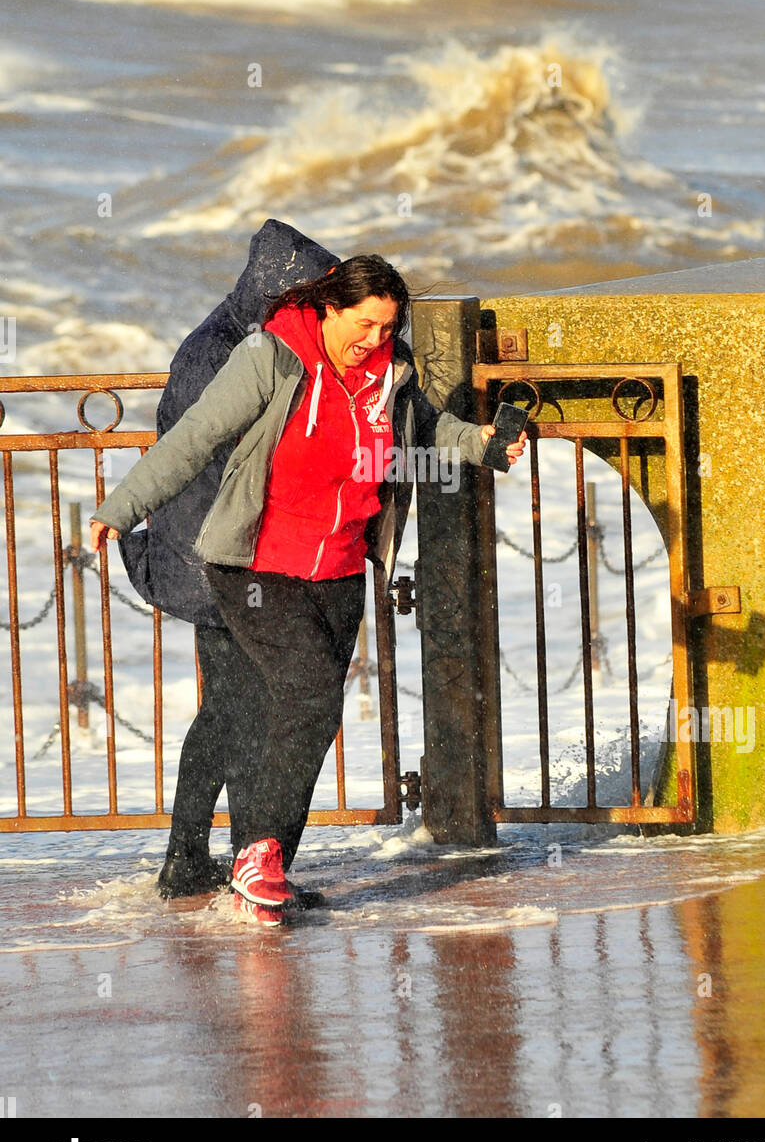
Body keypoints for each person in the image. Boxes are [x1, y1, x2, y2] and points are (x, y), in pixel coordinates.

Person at [90, 255, 527, 924]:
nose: (375, 339)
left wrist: (484, 442)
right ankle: (255, 855)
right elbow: (194, 436)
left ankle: (265, 870)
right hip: (257, 566)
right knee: (307, 690)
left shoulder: (389, 374)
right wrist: (120, 508)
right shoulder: (274, 358)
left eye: (387, 327)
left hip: (341, 571)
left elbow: (425, 428)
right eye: (364, 324)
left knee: (313, 713)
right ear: (328, 308)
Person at [117, 219, 339, 901]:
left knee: (238, 708)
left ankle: (218, 859)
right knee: (236, 710)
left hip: (221, 557)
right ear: (273, 291)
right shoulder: (215, 355)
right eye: (305, 299)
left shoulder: (238, 343)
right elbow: (214, 457)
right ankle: (205, 859)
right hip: (211, 561)